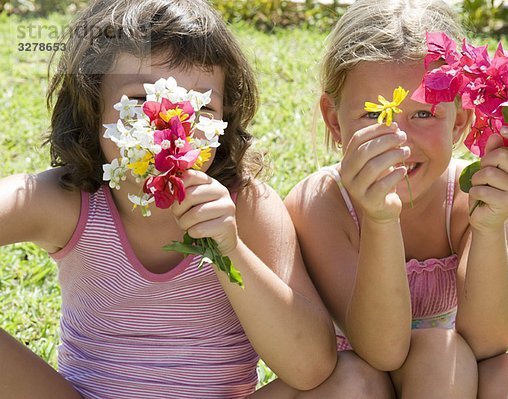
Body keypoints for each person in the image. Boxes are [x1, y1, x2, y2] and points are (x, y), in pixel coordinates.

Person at [0, 0, 339, 398]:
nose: (170, 130)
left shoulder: (247, 206)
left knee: (355, 380)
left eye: (200, 108)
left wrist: (228, 248)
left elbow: (311, 368)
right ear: (92, 111)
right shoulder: (68, 200)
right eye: (142, 103)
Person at [284, 0, 508, 397]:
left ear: (459, 120)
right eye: (376, 115)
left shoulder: (470, 195)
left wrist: (489, 226)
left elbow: (488, 343)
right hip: (359, 383)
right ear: (334, 121)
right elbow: (383, 353)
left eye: (424, 115)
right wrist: (380, 220)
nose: (400, 140)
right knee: (438, 353)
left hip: (447, 378)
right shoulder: (320, 204)